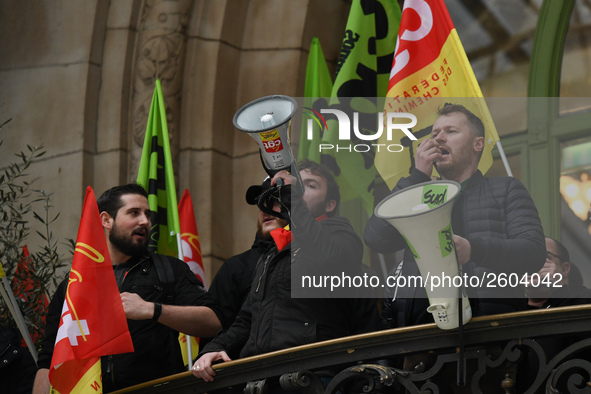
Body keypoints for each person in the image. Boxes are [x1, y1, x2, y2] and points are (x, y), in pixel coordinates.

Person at [191, 160, 379, 384]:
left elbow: (326, 258)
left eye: (309, 185)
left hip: (313, 378)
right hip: (263, 379)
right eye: (296, 186)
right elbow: (248, 318)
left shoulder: (342, 234)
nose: (298, 191)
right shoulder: (272, 252)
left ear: (330, 204)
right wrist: (215, 348)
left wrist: (292, 197)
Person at [366, 104, 546, 329]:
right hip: (421, 333)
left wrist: (474, 250)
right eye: (434, 134)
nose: (438, 139)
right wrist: (417, 177)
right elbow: (376, 238)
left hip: (491, 332)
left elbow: (534, 253)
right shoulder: (417, 194)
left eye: (450, 132)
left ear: (477, 144)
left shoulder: (507, 189)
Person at [33, 183, 223, 393]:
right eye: (134, 213)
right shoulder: (74, 284)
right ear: (106, 220)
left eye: (147, 214)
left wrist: (153, 310)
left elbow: (213, 322)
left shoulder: (170, 269)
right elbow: (49, 357)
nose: (145, 221)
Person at [207, 177, 287, 329]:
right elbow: (216, 334)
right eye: (261, 202)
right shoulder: (235, 267)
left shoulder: (315, 256)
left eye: (275, 199)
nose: (265, 209)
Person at [526, 236, 591, 308]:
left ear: (564, 269)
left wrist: (557, 288)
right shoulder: (516, 306)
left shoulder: (584, 297)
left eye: (543, 257)